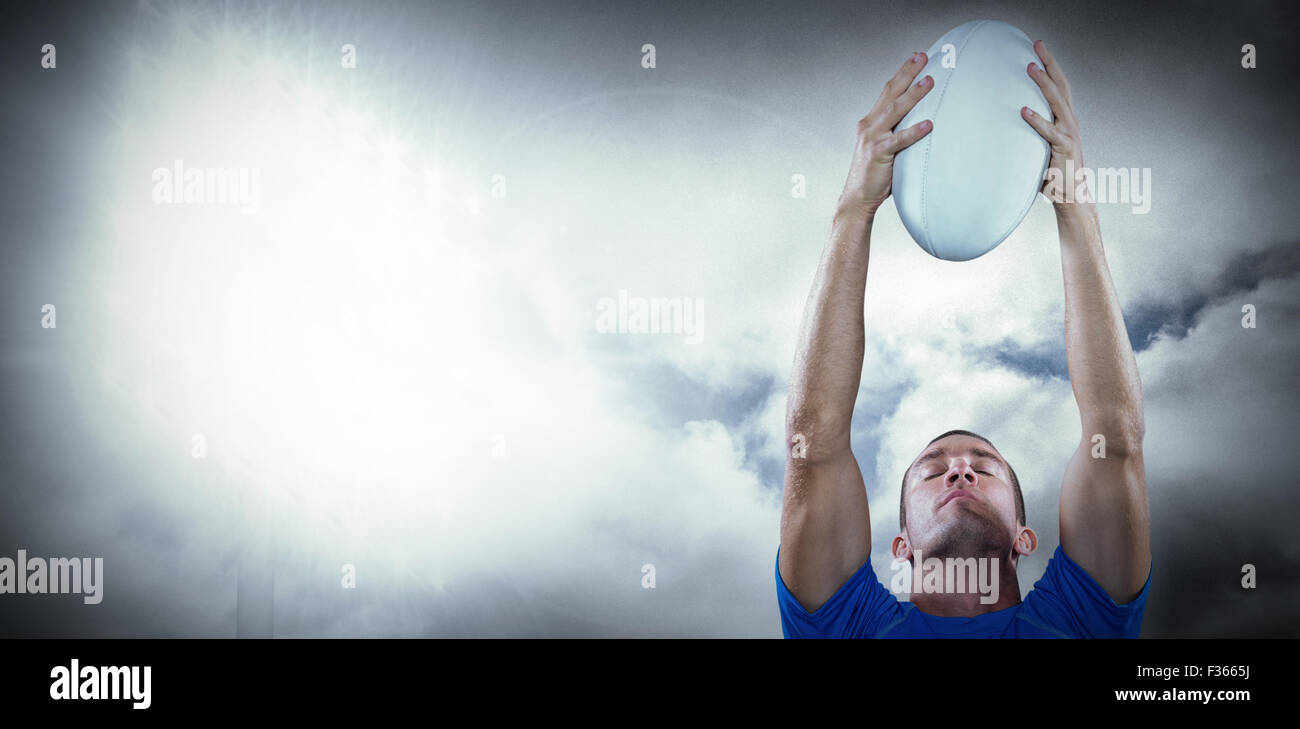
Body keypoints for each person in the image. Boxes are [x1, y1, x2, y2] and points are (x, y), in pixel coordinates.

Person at [776, 41, 1152, 638]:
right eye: (932, 470)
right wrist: (854, 209)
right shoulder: (851, 628)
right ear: (899, 545)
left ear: (1025, 538)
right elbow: (813, 444)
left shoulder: (1078, 621)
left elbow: (1118, 437)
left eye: (984, 466)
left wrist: (1074, 207)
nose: (959, 472)